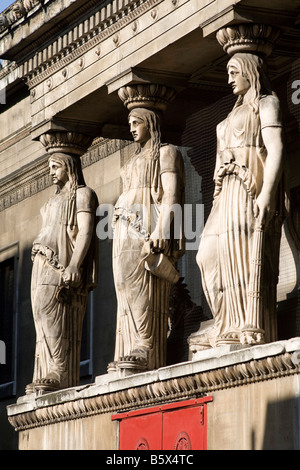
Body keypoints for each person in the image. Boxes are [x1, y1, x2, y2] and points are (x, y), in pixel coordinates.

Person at [196, 53, 284, 348]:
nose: (230, 79)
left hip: (249, 190)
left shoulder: (266, 104)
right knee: (206, 254)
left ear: (249, 71)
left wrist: (267, 194)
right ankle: (225, 320)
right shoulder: (233, 112)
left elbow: (275, 148)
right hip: (226, 190)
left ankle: (241, 323)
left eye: (235, 72)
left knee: (242, 255)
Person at [110, 107, 185, 372]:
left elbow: (172, 195)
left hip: (147, 225)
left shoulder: (167, 152)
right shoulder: (130, 161)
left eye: (136, 122)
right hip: (123, 227)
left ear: (149, 123)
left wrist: (162, 230)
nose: (131, 128)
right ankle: (127, 347)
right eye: (129, 123)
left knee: (143, 283)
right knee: (123, 285)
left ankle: (146, 345)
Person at [26, 152, 98, 394]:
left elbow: (86, 231)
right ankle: (46, 369)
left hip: (60, 263)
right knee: (40, 315)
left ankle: (61, 369)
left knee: (51, 311)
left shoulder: (83, 194)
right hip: (41, 262)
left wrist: (76, 264)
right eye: (49, 167)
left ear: (69, 167)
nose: (51, 172)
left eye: (55, 166)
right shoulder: (50, 201)